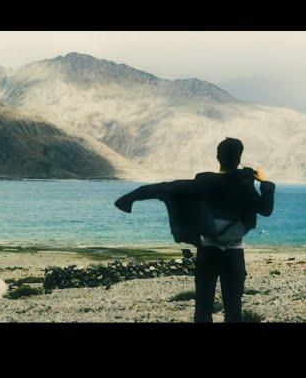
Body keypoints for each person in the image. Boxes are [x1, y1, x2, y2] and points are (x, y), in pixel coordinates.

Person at [114, 137, 275, 322]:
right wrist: (264, 182)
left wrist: (131, 197)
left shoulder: (204, 182)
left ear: (217, 157)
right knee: (233, 310)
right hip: (234, 255)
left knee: (203, 308)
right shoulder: (244, 185)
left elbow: (167, 188)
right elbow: (266, 209)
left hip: (207, 253)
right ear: (239, 159)